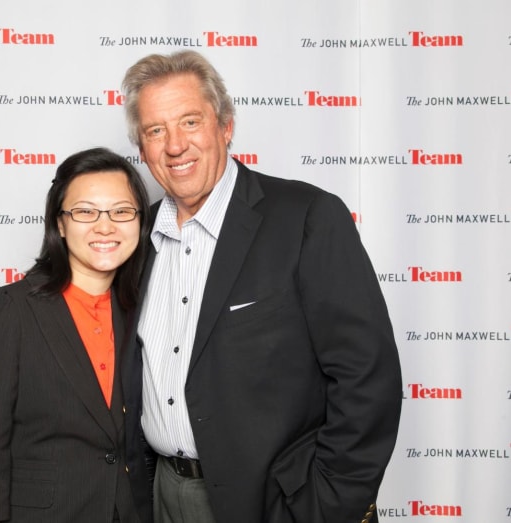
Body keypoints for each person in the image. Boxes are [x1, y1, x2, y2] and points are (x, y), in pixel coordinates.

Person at [120, 50, 402, 523]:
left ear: (225, 126)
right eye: (155, 131)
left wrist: (328, 504)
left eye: (190, 121)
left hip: (278, 502)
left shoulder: (306, 217)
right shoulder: (136, 238)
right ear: (142, 149)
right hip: (164, 495)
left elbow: (367, 376)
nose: (175, 145)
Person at [0, 147, 151, 523]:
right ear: (59, 224)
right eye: (85, 212)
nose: (105, 227)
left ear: (140, 222)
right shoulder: (8, 310)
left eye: (122, 211)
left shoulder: (140, 312)